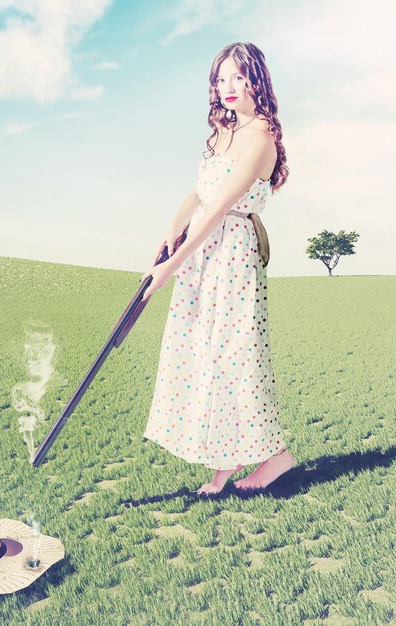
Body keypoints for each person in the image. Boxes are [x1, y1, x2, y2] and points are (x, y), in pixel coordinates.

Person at [140, 42, 295, 495]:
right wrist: (173, 227)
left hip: (230, 256)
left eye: (237, 78)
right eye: (220, 79)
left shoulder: (260, 136)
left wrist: (168, 268)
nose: (227, 88)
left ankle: (270, 458)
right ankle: (229, 462)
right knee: (207, 355)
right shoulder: (225, 131)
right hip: (202, 252)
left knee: (233, 357)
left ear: (256, 80)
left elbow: (219, 209)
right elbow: (199, 194)